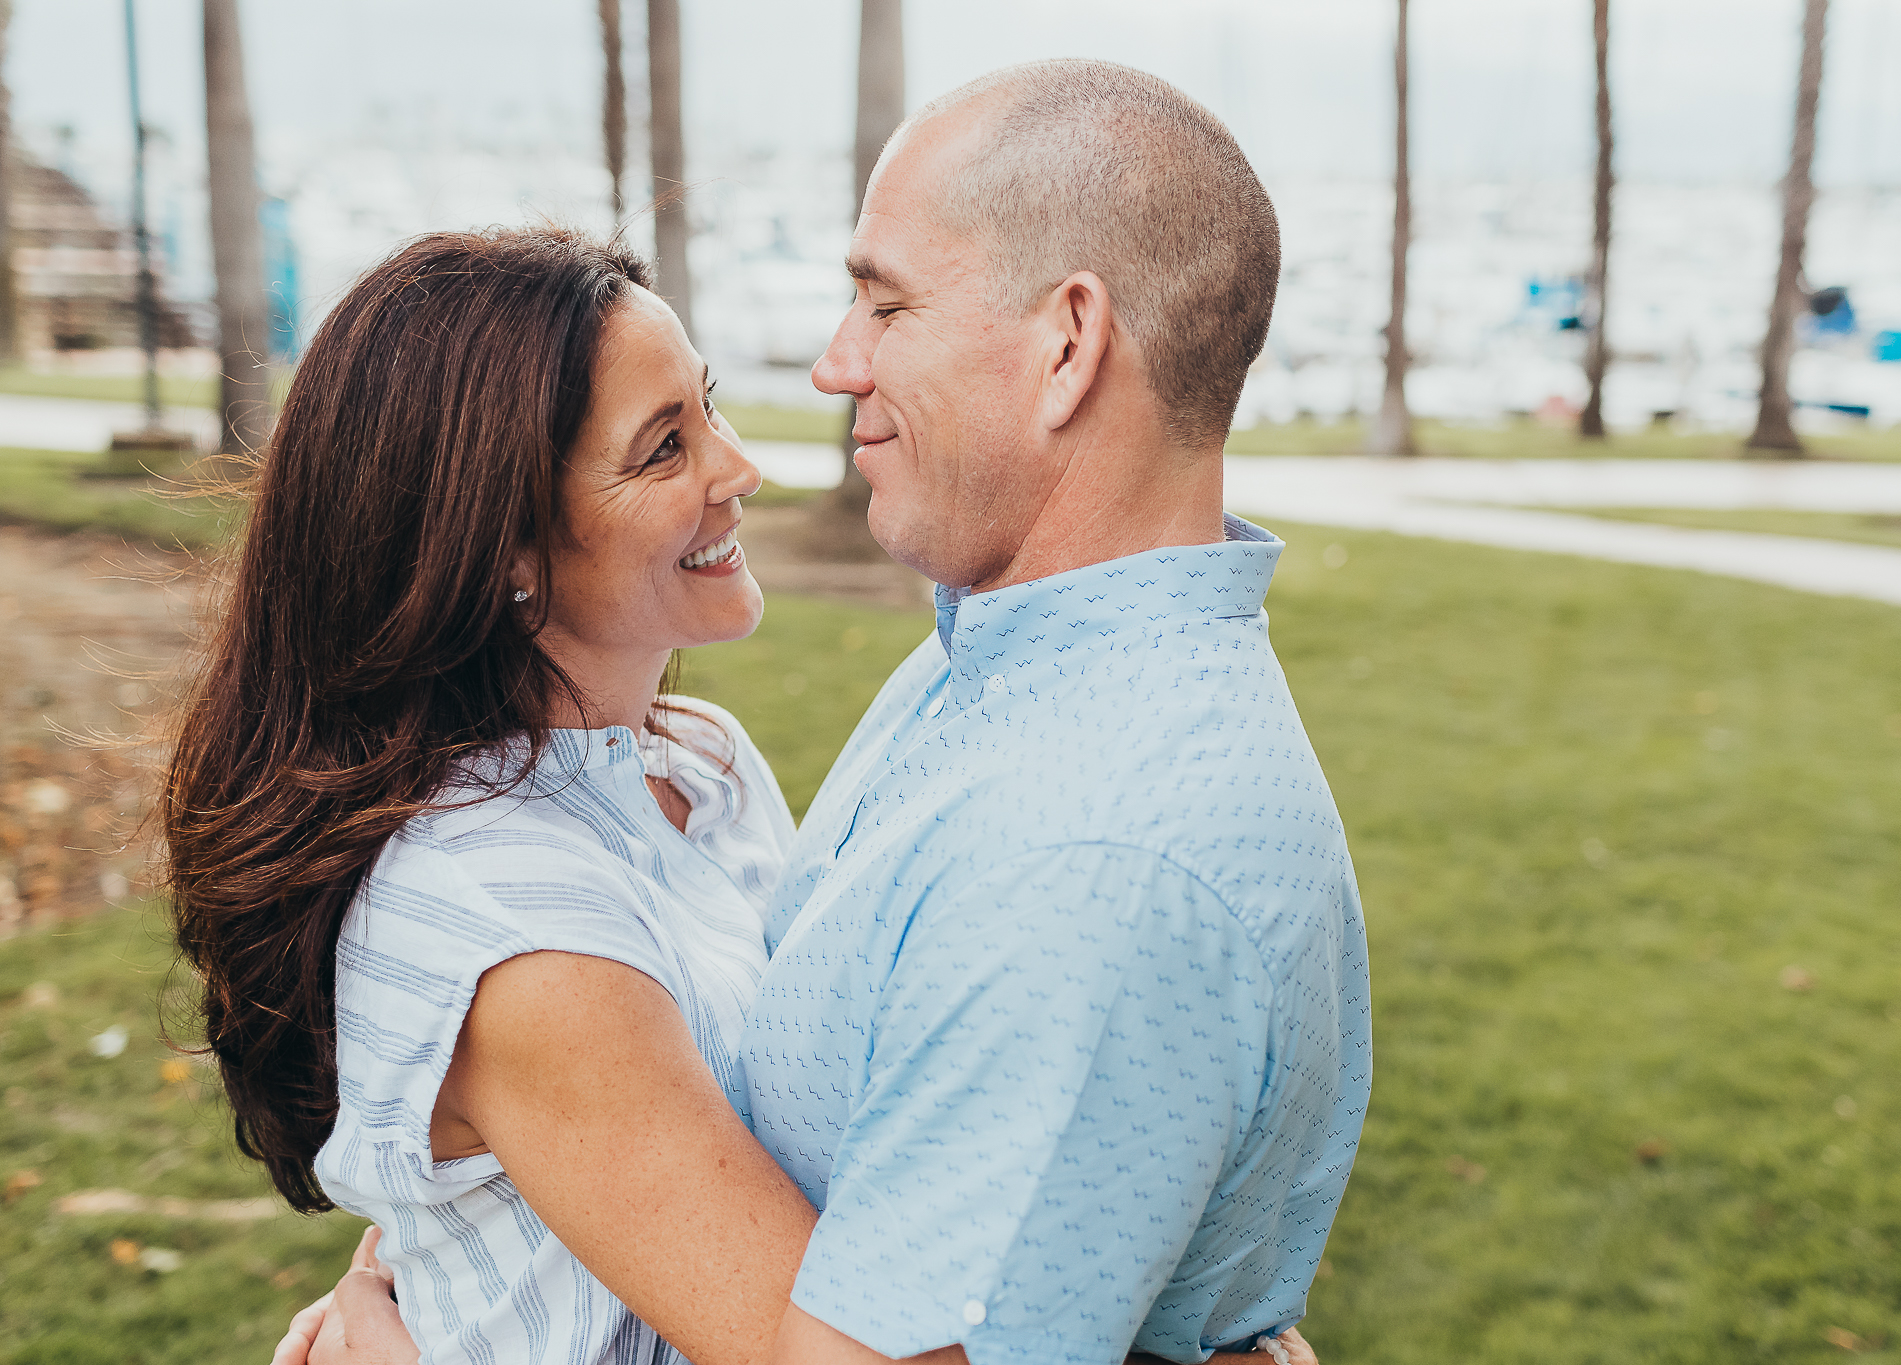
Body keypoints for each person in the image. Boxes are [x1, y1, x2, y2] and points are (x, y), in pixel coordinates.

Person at [278, 58, 1368, 1365]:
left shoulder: (1087, 865)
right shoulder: (975, 669)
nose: (834, 364)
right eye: (666, 441)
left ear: (1066, 345)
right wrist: (432, 1241)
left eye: (884, 302)